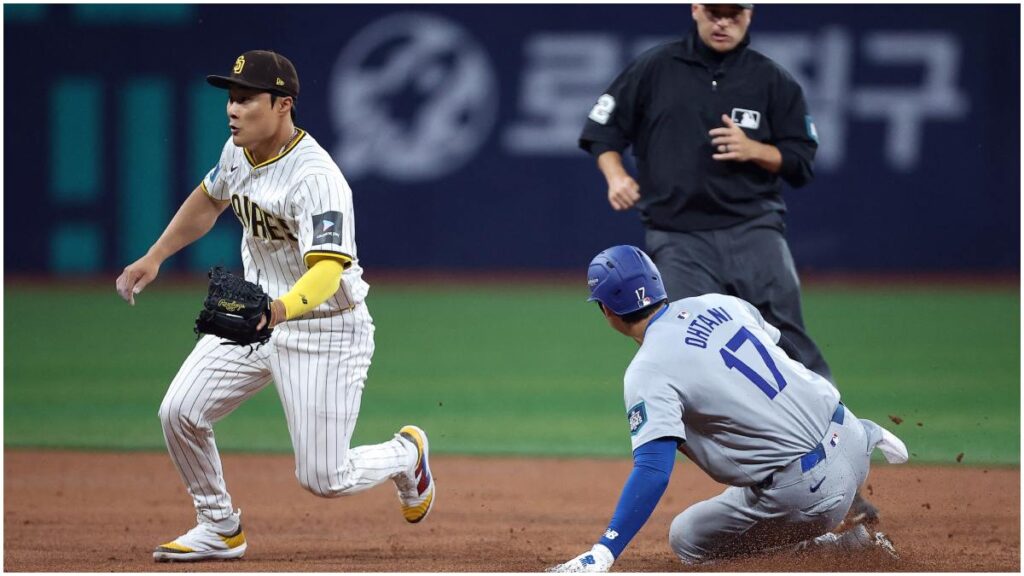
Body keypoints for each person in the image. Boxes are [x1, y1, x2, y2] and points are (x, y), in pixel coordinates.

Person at [115, 50, 435, 562]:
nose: (232, 109)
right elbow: (209, 198)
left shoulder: (317, 179)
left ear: (283, 104)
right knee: (180, 411)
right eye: (230, 97)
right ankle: (219, 525)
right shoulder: (238, 152)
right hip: (256, 319)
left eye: (246, 98)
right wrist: (156, 256)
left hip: (325, 328)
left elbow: (328, 272)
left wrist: (280, 312)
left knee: (325, 479)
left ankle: (406, 454)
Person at [578, 2, 881, 524]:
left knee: (795, 349)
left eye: (734, 13)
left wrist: (756, 150)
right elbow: (602, 133)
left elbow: (802, 160)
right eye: (714, 11)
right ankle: (770, 490)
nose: (723, 22)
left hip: (754, 230)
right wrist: (615, 176)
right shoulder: (654, 68)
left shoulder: (772, 80)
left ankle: (846, 492)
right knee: (678, 353)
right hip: (677, 238)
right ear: (695, 8)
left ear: (750, 13)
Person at [547, 245, 908, 572]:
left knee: (687, 539)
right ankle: (855, 479)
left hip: (809, 493)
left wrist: (605, 550)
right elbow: (792, 356)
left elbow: (653, 470)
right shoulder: (721, 303)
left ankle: (834, 549)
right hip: (852, 436)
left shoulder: (648, 369)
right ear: (657, 283)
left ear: (606, 309)